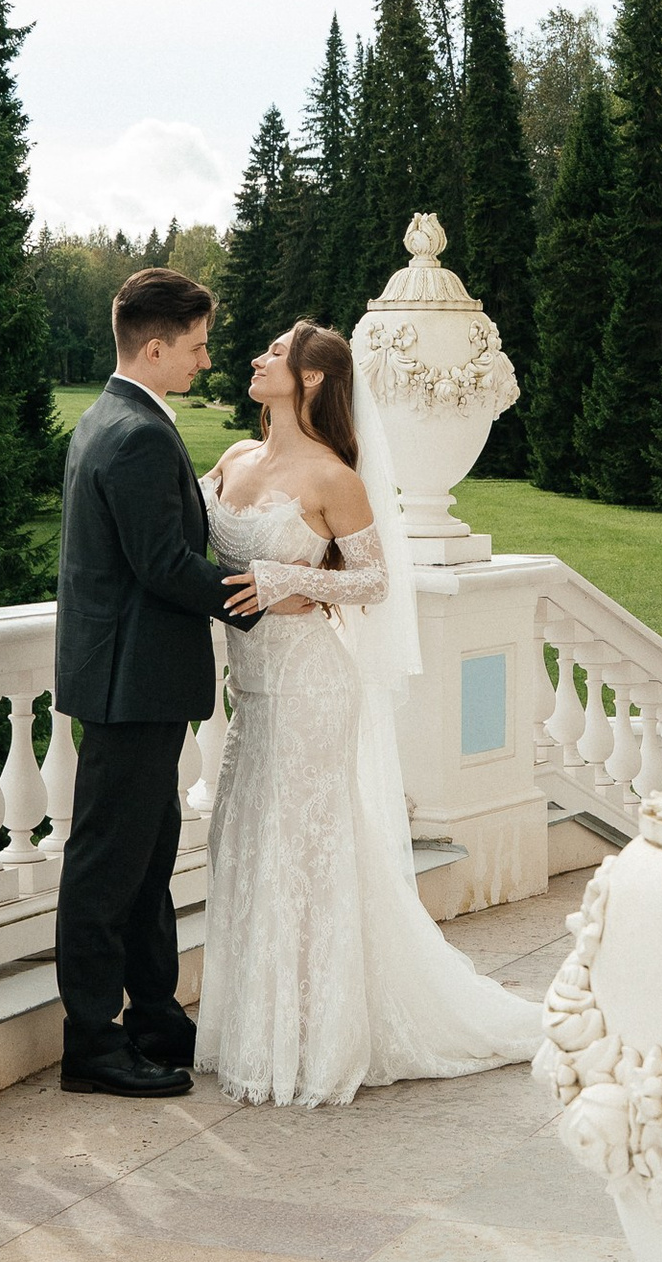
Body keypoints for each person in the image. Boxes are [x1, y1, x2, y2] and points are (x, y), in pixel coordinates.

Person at [198, 319, 540, 1108]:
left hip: (313, 684)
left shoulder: (332, 477)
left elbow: (376, 582)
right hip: (249, 688)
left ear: (312, 379)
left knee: (305, 850)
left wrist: (293, 579)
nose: (258, 358)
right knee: (247, 840)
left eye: (276, 353)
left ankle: (318, 1035)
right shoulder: (235, 458)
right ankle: (256, 1027)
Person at [51, 265, 260, 1098]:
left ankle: (155, 1015)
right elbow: (163, 564)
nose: (204, 363)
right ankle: (91, 1040)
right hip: (128, 684)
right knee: (108, 864)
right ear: (155, 345)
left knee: (146, 855)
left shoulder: (114, 417)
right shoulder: (135, 432)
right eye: (198, 347)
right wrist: (259, 598)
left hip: (131, 680)